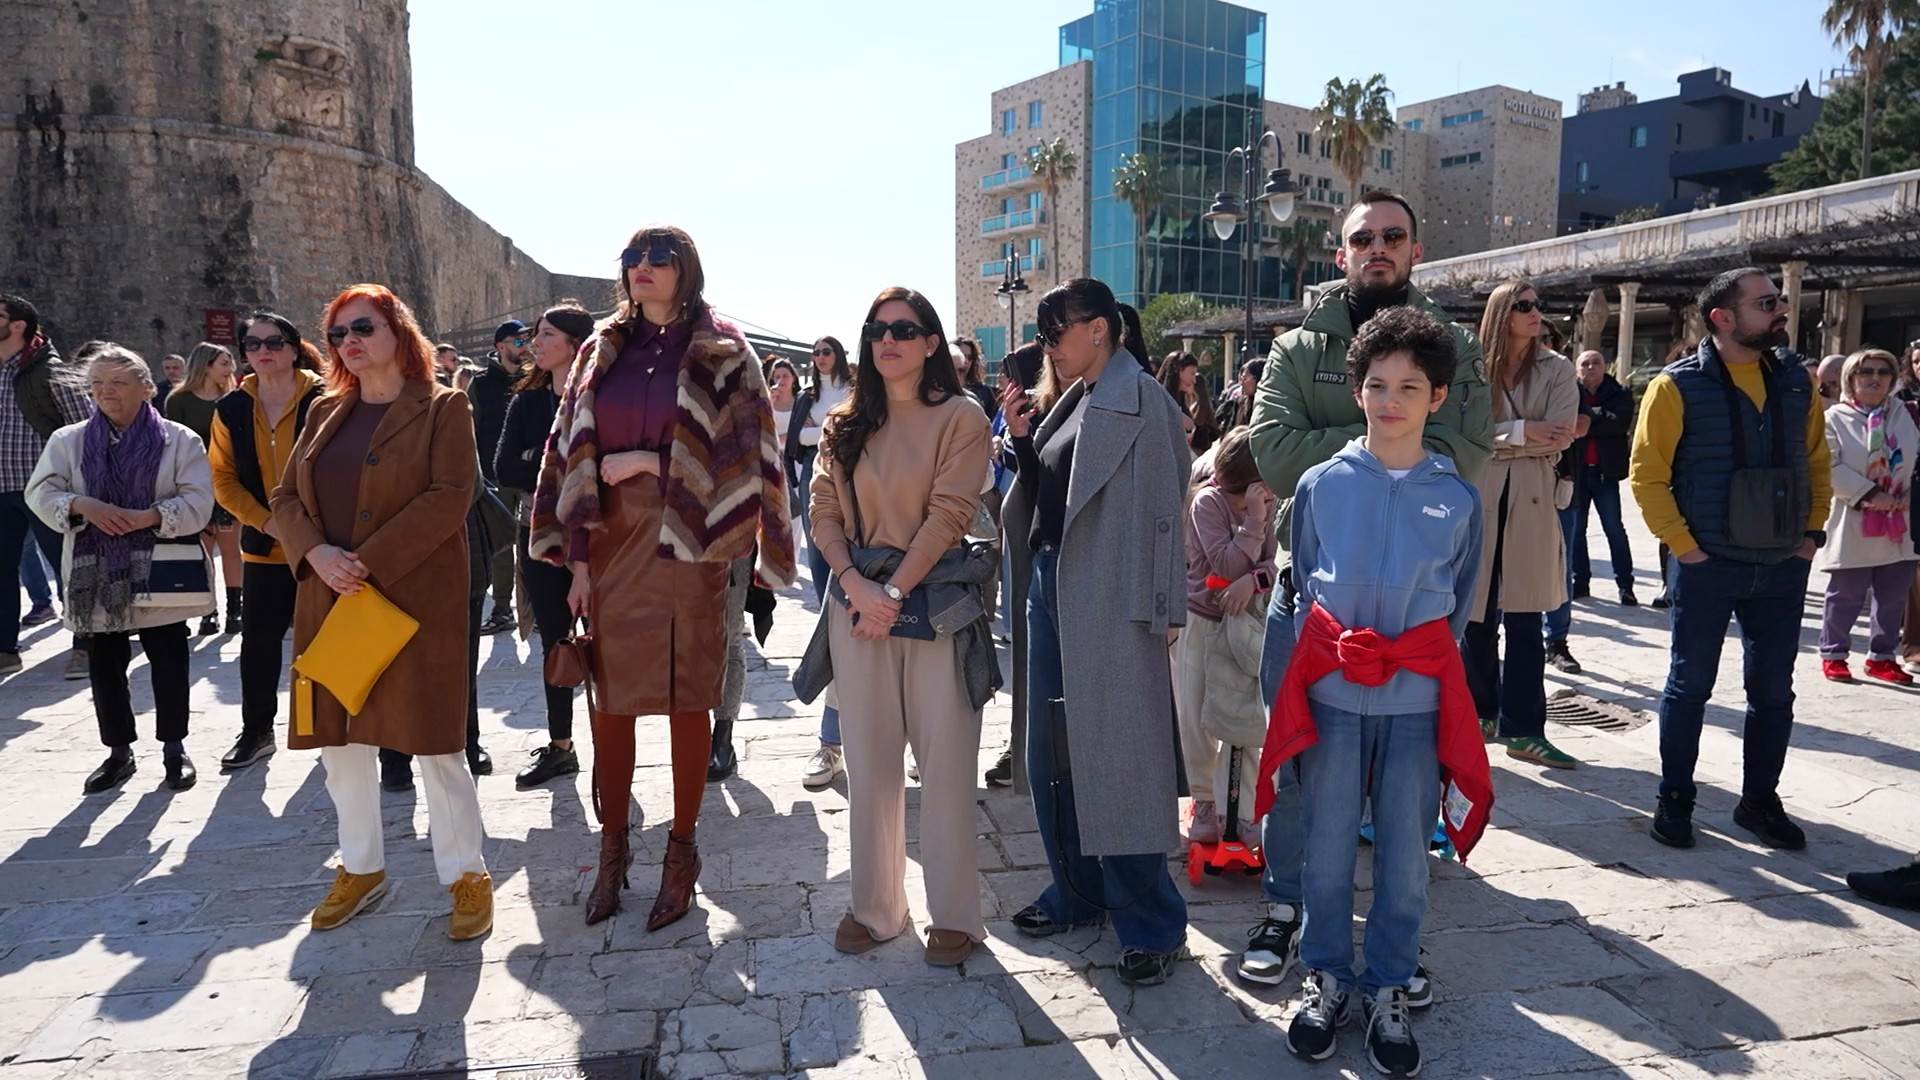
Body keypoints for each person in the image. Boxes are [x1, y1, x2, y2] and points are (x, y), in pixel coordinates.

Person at [1241, 189, 1492, 989]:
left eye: (1394, 236)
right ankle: (1286, 909)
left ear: (1415, 249)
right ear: (1339, 252)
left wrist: (1370, 441)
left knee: (1401, 785)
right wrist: (1387, 437)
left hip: (1407, 623)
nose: (1378, 247)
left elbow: (1469, 449)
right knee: (1299, 764)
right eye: (1362, 238)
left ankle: (1389, 940)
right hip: (1311, 605)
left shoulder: (1452, 342)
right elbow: (1276, 456)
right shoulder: (1295, 346)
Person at [530, 224, 794, 929]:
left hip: (692, 543)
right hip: (611, 543)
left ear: (687, 270)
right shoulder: (599, 348)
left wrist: (651, 464)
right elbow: (570, 453)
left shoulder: (723, 348)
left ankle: (682, 853)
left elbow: (743, 454)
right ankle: (612, 854)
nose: (641, 268)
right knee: (611, 701)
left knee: (685, 700)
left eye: (658, 258)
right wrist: (577, 561)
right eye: (632, 259)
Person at [1263, 305, 1483, 1077]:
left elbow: (1458, 599)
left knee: (1402, 856)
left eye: (1410, 386)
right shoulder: (1323, 486)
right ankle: (1326, 976)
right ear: (1358, 392)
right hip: (1331, 700)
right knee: (1324, 850)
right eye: (1378, 384)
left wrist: (1412, 664)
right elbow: (1307, 577)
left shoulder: (1455, 498)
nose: (1392, 399)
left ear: (1439, 397)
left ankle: (1389, 984)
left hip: (1416, 706)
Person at [268, 283, 492, 939]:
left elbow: (451, 495)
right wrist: (315, 555)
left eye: (361, 327)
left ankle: (466, 875)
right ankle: (361, 868)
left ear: (397, 330)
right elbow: (284, 500)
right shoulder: (322, 413)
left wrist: (362, 562)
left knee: (436, 745)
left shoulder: (444, 407)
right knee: (340, 743)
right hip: (329, 598)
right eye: (337, 334)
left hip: (413, 601)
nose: (349, 342)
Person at [998, 277, 1192, 987]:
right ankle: (1076, 891)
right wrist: (1022, 441)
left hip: (1112, 599)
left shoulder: (1145, 401)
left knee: (1121, 760)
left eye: (1057, 330)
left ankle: (1150, 921)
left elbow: (1170, 510)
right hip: (1050, 587)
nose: (1048, 344)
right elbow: (1053, 498)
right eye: (1046, 333)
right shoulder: (1073, 399)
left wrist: (1164, 610)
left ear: (1101, 329)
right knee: (1054, 751)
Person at [803, 286, 993, 965]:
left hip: (935, 608)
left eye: (906, 329)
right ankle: (876, 909)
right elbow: (821, 510)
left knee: (944, 768)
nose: (890, 339)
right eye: (878, 328)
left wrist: (890, 590)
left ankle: (956, 917)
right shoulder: (845, 420)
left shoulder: (961, 418)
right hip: (858, 611)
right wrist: (856, 587)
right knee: (871, 765)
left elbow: (950, 515)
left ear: (931, 342)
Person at [1630, 266, 1830, 851]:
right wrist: (1685, 549)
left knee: (1773, 692)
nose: (1781, 310)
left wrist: (1810, 537)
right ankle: (1675, 800)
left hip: (1782, 566)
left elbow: (1817, 462)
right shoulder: (1675, 386)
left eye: (1780, 300)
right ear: (1722, 317)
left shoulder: (1797, 380)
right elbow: (1647, 476)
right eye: (1767, 302)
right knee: (1690, 687)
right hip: (1708, 564)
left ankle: (1759, 802)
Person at [28, 345, 214, 793]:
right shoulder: (68, 441)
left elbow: (198, 501)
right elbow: (41, 492)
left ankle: (174, 748)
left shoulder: (179, 440)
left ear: (147, 388)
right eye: (96, 385)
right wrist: (81, 504)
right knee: (104, 666)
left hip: (160, 570)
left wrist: (151, 516)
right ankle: (118, 752)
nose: (105, 393)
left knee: (169, 659)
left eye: (117, 383)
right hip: (97, 574)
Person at [1464, 280, 1580, 769]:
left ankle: (1526, 729)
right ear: (1501, 313)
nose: (1536, 313)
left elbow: (1560, 436)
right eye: (1524, 306)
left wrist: (1505, 439)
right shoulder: (1472, 369)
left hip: (1532, 500)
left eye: (1538, 305)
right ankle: (1479, 714)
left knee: (1527, 621)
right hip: (1481, 498)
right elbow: (1459, 434)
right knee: (1476, 619)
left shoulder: (1557, 369)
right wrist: (1520, 431)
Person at [207, 311, 326, 769]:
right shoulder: (232, 408)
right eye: (253, 345)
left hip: (323, 546)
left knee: (325, 642)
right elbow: (223, 478)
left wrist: (307, 530)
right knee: (258, 644)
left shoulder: (326, 398)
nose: (263, 351)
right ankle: (257, 731)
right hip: (266, 548)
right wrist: (266, 522)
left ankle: (328, 728)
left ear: (294, 348)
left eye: (273, 342)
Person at [494, 301, 595, 790]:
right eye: (536, 334)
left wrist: (542, 460)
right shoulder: (528, 403)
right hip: (540, 535)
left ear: (575, 344)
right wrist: (558, 462)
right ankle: (561, 748)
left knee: (608, 639)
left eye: (547, 334)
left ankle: (615, 737)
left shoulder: (600, 398)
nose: (535, 342)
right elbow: (504, 468)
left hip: (600, 536)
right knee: (555, 640)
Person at [1175, 425, 1276, 845]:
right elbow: (1225, 564)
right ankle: (1205, 800)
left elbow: (1276, 564)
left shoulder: (1270, 503)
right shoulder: (1208, 503)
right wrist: (1253, 521)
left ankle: (1245, 807)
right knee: (1196, 715)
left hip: (1247, 624)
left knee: (1246, 718)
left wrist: (1252, 583)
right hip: (1202, 619)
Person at [1, 294, 93, 680]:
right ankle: (5, 650)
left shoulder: (51, 372)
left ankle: (87, 645)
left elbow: (86, 431)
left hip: (48, 490)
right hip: (2, 488)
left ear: (17, 325)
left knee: (67, 566)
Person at [1817, 348, 1918, 685]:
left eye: (1883, 372)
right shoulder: (1834, 418)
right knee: (1845, 594)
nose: (1875, 378)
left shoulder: (1906, 414)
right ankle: (1834, 653)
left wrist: (1908, 494)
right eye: (1866, 372)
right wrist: (1873, 495)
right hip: (1856, 518)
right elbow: (1828, 467)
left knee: (1892, 596)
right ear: (1850, 378)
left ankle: (1882, 657)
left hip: (1901, 520)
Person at [790, 335, 854, 788]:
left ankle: (914, 744)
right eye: (816, 352)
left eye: (826, 351)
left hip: (878, 538)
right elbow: (798, 439)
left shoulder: (860, 394)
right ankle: (830, 743)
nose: (820, 358)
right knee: (835, 623)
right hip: (825, 499)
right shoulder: (808, 397)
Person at [165, 342, 243, 636]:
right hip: (194, 482)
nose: (230, 368)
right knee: (202, 550)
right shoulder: (179, 400)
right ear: (207, 365)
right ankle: (207, 611)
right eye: (224, 362)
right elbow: (173, 445)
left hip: (228, 481)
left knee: (230, 548)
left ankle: (235, 611)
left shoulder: (235, 398)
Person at [1567, 349, 1638, 604]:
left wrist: (1587, 419)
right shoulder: (1568, 395)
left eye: (1596, 362)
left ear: (1605, 366)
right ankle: (1580, 582)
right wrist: (1597, 417)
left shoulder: (1620, 393)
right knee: (1577, 532)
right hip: (1577, 473)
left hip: (1606, 474)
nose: (1590, 367)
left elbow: (1618, 424)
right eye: (1585, 363)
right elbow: (1569, 425)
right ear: (1577, 369)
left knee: (1614, 530)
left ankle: (1625, 585)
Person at [472, 321, 528, 636]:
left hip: (532, 473)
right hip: (495, 475)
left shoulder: (536, 379)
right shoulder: (480, 385)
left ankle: (535, 610)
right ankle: (503, 609)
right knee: (503, 544)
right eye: (517, 341)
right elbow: (470, 428)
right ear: (500, 347)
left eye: (526, 339)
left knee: (537, 542)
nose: (524, 344)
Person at [1159, 351, 1221, 454]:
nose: (1194, 380)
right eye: (1192, 373)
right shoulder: (1159, 401)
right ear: (1178, 370)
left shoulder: (1180, 401)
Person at [952, 338, 998, 420]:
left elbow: (994, 426)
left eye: (970, 357)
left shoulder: (984, 392)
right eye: (961, 355)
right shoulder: (938, 391)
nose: (966, 361)